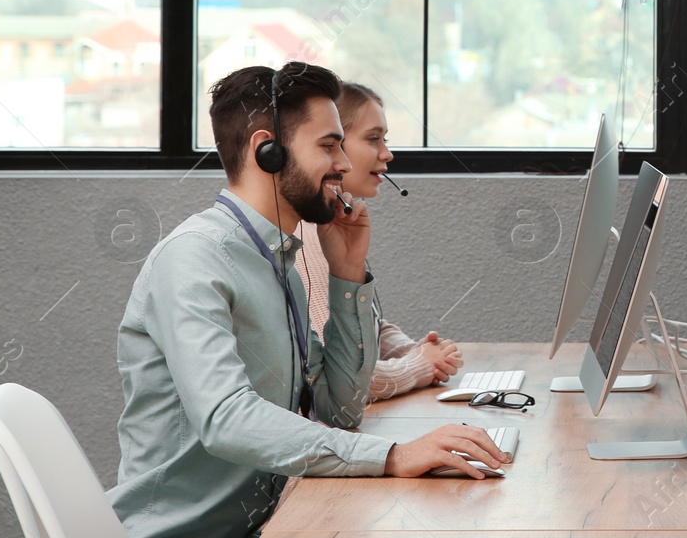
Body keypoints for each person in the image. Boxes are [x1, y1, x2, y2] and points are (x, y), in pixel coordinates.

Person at [109, 63, 503, 538]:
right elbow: (226, 419)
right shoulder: (195, 259)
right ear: (266, 151)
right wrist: (394, 455)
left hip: (271, 520)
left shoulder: (279, 264)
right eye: (328, 145)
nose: (344, 163)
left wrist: (348, 274)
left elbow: (339, 409)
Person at [298, 82, 462, 398]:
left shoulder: (335, 222)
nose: (387, 153)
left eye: (384, 140)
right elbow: (341, 375)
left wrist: (409, 349)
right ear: (331, 145)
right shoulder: (306, 237)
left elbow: (356, 328)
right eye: (373, 139)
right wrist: (419, 367)